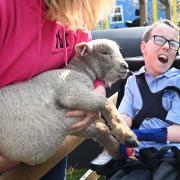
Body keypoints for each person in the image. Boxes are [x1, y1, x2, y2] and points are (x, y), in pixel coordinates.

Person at [0, 0, 115, 179]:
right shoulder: (6, 8)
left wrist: (96, 90)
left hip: (50, 145)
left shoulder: (75, 14)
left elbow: (87, 63)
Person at [111, 19, 180, 179]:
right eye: (159, 39)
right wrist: (122, 134)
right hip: (140, 156)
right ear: (144, 47)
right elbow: (125, 117)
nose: (166, 46)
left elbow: (178, 132)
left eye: (173, 43)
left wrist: (139, 134)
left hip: (171, 156)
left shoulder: (178, 81)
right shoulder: (132, 82)